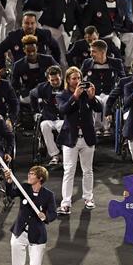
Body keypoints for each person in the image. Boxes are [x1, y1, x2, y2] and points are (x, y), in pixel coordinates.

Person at [4, 165, 57, 265]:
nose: (29, 176)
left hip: (37, 236)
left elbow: (53, 214)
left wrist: (45, 216)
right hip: (20, 232)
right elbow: (11, 193)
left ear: (40, 178)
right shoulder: (24, 188)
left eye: (32, 174)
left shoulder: (48, 195)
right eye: (29, 173)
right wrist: (8, 181)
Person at [56, 66, 102, 214]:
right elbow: (63, 110)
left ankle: (88, 198)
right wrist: (74, 96)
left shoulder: (87, 94)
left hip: (87, 137)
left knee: (87, 170)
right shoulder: (62, 94)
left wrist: (92, 97)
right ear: (68, 80)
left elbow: (99, 108)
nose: (77, 81)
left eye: (79, 78)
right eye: (74, 78)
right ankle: (66, 203)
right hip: (71, 138)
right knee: (69, 170)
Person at [79, 0, 133, 68]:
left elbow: (126, 20)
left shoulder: (122, 2)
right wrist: (89, 36)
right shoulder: (93, 3)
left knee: (132, 38)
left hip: (117, 32)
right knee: (116, 42)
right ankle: (116, 67)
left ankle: (129, 67)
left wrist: (132, 30)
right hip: (102, 34)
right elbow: (84, 23)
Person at [35, 0, 78, 64]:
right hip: (51, 26)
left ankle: (61, 77)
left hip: (67, 27)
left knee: (64, 55)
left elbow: (74, 6)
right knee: (54, 55)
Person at [80, 39, 125, 134]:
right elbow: (80, 78)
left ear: (102, 52)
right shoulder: (87, 63)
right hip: (94, 92)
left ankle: (106, 127)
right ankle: (97, 127)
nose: (91, 54)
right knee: (97, 101)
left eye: (94, 51)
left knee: (106, 100)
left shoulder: (116, 62)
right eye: (91, 51)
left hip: (110, 93)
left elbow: (123, 79)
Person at [31, 66, 64, 165]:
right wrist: (36, 111)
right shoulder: (42, 88)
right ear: (48, 79)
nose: (55, 82)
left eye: (57, 79)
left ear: (61, 77)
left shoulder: (67, 87)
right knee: (44, 125)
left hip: (64, 117)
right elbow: (32, 95)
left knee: (63, 126)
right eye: (52, 80)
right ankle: (55, 154)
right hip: (49, 117)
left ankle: (66, 152)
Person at [11, 35, 58, 104]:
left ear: (37, 48)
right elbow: (14, 84)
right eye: (28, 51)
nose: (31, 53)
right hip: (28, 94)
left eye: (33, 50)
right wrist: (21, 92)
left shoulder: (48, 60)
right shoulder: (18, 65)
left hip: (48, 91)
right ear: (24, 50)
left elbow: (59, 73)